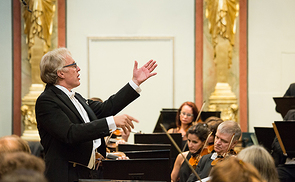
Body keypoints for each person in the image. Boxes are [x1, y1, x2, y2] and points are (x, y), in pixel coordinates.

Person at [35, 47, 157, 182]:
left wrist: (135, 82)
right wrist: (112, 122)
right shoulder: (47, 100)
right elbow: (70, 133)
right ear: (60, 73)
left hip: (86, 172)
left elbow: (106, 108)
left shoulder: (76, 97)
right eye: (74, 65)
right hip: (66, 175)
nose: (78, 69)